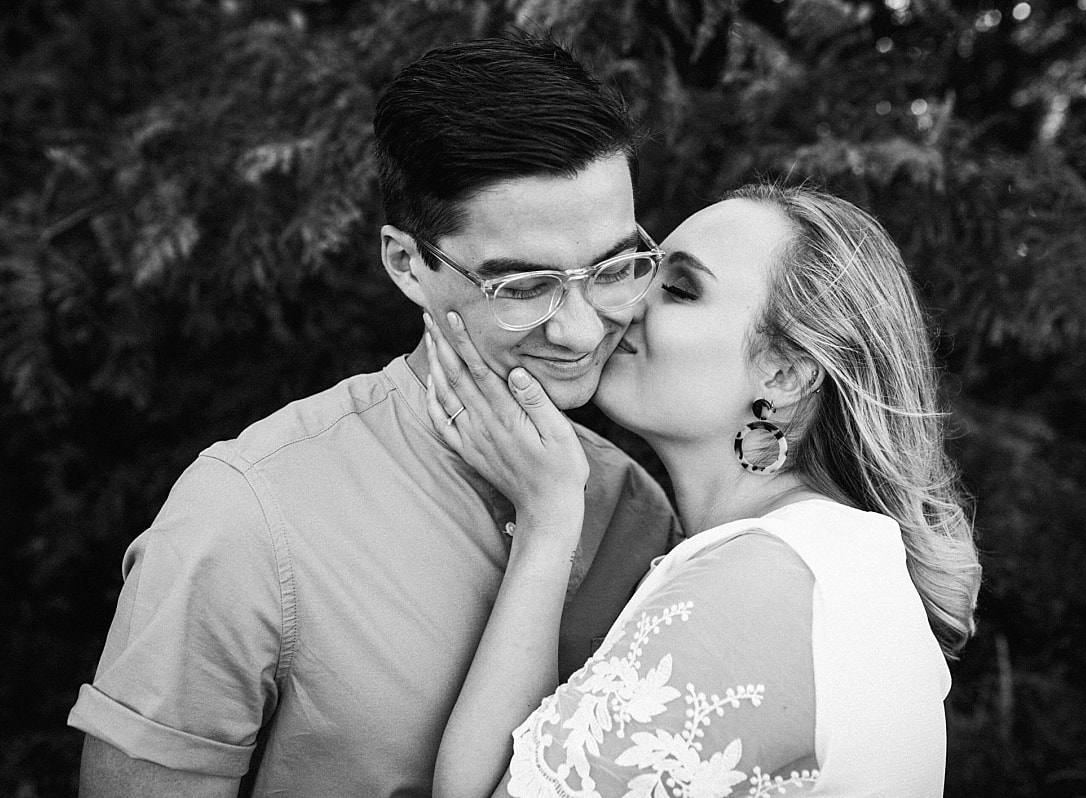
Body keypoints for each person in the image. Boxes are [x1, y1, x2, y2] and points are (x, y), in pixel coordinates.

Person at [67, 34, 680, 797]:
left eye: (616, 269)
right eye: (523, 287)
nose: (584, 330)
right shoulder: (244, 515)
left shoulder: (636, 509)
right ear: (407, 264)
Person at [421, 183, 982, 797]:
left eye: (681, 290)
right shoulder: (812, 561)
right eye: (642, 273)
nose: (622, 307)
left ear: (785, 372)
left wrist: (547, 523)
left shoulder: (763, 584)